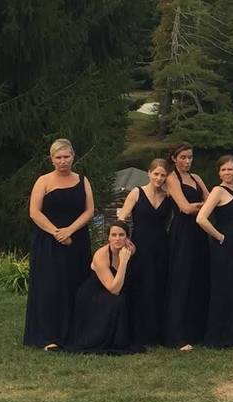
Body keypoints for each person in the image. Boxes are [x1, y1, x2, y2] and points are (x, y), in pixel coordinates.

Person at [23, 138, 94, 350]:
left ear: (73, 156)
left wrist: (70, 230)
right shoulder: (43, 181)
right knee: (51, 287)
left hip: (77, 240)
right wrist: (57, 233)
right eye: (58, 157)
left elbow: (89, 210)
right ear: (52, 159)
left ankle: (75, 333)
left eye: (66, 157)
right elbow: (34, 212)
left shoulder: (83, 180)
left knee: (76, 284)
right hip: (48, 241)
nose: (63, 161)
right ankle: (49, 336)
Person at [197, 155, 233, 348]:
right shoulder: (217, 191)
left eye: (230, 169)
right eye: (223, 170)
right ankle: (219, 336)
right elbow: (201, 218)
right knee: (224, 289)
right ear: (219, 172)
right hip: (225, 246)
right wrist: (220, 236)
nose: (227, 173)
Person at [118, 158, 172, 347]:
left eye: (163, 175)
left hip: (162, 246)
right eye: (156, 173)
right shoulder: (136, 192)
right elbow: (122, 218)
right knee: (141, 287)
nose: (159, 178)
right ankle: (138, 334)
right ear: (148, 173)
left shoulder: (168, 196)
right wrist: (124, 241)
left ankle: (156, 334)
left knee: (159, 287)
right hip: (139, 246)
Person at [66, 221, 141, 354]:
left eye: (121, 235)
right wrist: (123, 261)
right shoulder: (101, 255)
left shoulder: (129, 250)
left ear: (127, 238)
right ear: (108, 238)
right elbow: (114, 289)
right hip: (93, 295)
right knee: (117, 301)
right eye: (113, 235)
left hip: (111, 290)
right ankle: (110, 340)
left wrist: (130, 254)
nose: (117, 238)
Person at [163, 142, 209, 350]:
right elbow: (184, 208)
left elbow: (211, 201)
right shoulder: (172, 178)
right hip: (182, 232)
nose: (187, 161)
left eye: (190, 157)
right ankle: (176, 334)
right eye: (183, 157)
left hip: (200, 231)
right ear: (174, 158)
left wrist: (200, 207)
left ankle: (195, 330)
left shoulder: (197, 178)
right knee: (181, 279)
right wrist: (201, 207)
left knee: (198, 278)